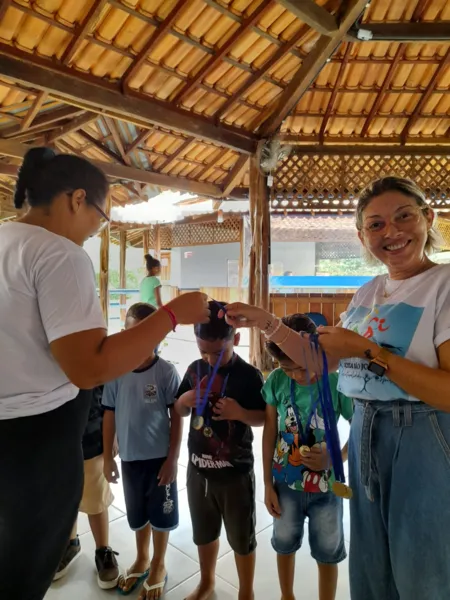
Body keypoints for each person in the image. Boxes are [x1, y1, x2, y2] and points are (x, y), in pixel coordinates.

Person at [222, 176, 450, 600]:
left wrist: (366, 351)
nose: (392, 232)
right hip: (366, 428)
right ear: (362, 236)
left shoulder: (444, 285)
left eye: (404, 216)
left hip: (420, 432)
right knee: (371, 565)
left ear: (428, 217)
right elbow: (317, 359)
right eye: (376, 225)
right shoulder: (368, 292)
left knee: (422, 568)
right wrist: (266, 321)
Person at [0, 147, 209, 600]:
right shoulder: (58, 253)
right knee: (21, 570)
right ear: (77, 199)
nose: (99, 225)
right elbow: (89, 367)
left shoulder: (5, 241)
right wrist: (172, 315)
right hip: (34, 440)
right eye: (101, 214)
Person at [175, 301, 266, 600]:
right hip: (198, 471)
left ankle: (246, 592)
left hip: (235, 475)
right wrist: (186, 399)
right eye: (204, 351)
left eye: (218, 352)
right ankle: (206, 582)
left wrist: (239, 413)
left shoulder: (250, 376)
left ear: (235, 340)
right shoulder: (193, 369)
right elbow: (178, 410)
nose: (210, 359)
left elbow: (264, 418)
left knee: (242, 540)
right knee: (203, 533)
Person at [262, 314, 353, 600]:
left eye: (301, 368)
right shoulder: (277, 381)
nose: (296, 376)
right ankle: (286, 595)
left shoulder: (336, 381)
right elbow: (268, 435)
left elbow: (360, 430)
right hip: (285, 485)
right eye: (288, 370)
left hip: (327, 487)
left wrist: (336, 456)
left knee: (328, 551)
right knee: (284, 543)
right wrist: (267, 484)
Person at [103, 302, 182, 600]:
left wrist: (173, 459)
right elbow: (109, 412)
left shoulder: (165, 372)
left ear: (159, 337)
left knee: (162, 513)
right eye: (131, 333)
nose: (138, 341)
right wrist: (108, 456)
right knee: (137, 514)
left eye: (146, 335)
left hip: (160, 459)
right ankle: (142, 557)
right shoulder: (116, 371)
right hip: (130, 459)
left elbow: (176, 417)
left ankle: (159, 562)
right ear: (123, 333)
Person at [53, 386, 119, 589]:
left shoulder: (94, 361)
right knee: (65, 499)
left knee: (96, 500)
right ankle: (70, 544)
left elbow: (111, 401)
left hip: (93, 439)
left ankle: (103, 549)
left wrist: (112, 439)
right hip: (58, 440)